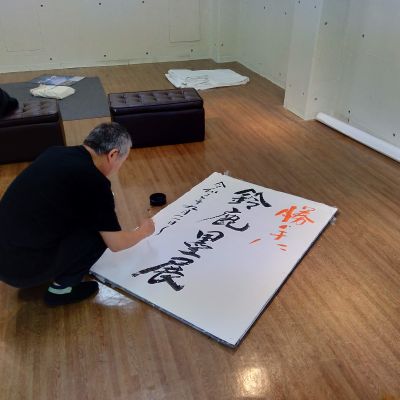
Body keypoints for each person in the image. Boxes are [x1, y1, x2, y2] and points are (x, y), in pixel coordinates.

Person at [0, 122, 155, 306]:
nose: (119, 167)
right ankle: (60, 291)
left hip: (6, 255)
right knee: (98, 236)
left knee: (86, 219)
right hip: (21, 271)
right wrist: (143, 231)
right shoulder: (94, 181)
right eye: (122, 161)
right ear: (113, 154)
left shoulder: (55, 152)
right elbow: (116, 244)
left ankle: (50, 266)